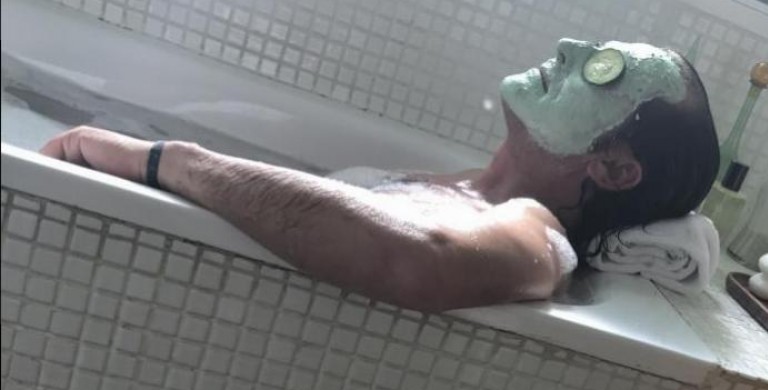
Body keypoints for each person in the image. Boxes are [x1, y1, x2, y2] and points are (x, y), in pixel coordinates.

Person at [41, 39, 719, 313]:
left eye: (604, 71)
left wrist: (167, 160)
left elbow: (419, 265)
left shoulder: (536, 231)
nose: (571, 49)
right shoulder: (471, 186)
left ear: (613, 168)